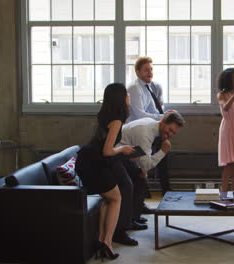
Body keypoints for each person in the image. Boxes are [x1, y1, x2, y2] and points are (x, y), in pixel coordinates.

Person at [75, 83, 135, 260]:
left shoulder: (106, 115)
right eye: (127, 95)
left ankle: (102, 240)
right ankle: (107, 242)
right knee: (116, 198)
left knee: (107, 200)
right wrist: (122, 149)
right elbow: (107, 151)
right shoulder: (117, 119)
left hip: (89, 161)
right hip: (94, 164)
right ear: (121, 98)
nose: (129, 98)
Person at [117, 111, 185, 225]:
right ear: (163, 121)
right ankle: (128, 221)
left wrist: (142, 169)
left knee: (141, 177)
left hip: (127, 156)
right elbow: (147, 164)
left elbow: (142, 159)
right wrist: (163, 151)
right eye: (170, 130)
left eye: (174, 133)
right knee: (136, 180)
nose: (170, 135)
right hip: (115, 158)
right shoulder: (146, 134)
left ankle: (135, 214)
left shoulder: (151, 125)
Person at [127, 56, 172, 195]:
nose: (150, 72)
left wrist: (164, 117)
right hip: (134, 133)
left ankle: (165, 189)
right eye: (146, 70)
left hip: (146, 129)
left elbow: (153, 110)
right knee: (141, 166)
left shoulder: (147, 87)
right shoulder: (134, 88)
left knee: (165, 143)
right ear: (138, 72)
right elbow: (140, 114)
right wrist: (164, 118)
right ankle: (148, 194)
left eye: (151, 69)